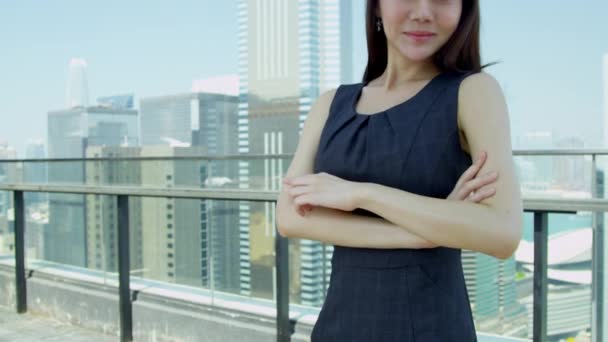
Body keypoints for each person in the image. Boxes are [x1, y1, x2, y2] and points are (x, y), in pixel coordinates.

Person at [276, 0, 523, 340]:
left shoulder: (473, 91)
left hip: (429, 326)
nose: (423, 11)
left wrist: (362, 194)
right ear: (376, 7)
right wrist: (425, 233)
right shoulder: (330, 103)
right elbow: (289, 218)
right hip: (339, 324)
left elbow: (502, 233)